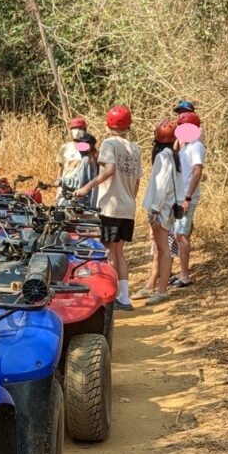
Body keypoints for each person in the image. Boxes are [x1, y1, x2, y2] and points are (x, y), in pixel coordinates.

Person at [73, 106, 142, 311]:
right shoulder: (135, 148)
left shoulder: (109, 143)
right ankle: (125, 297)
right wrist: (130, 198)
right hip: (128, 206)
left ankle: (111, 298)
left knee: (109, 252)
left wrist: (86, 187)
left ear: (108, 124)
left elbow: (109, 170)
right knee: (119, 252)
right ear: (128, 124)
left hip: (111, 206)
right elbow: (137, 180)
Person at [134, 119, 183, 306]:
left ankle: (162, 290)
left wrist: (154, 209)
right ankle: (150, 286)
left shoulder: (163, 156)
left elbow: (161, 186)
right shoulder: (173, 154)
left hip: (161, 209)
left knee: (163, 250)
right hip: (166, 208)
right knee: (159, 250)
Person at [172, 110, 205, 288]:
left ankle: (185, 275)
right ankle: (181, 270)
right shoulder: (185, 146)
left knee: (182, 235)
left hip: (187, 196)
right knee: (178, 234)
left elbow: (197, 171)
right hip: (179, 195)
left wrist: (188, 196)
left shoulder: (196, 146)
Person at [56, 133, 98, 208]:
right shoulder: (95, 158)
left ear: (89, 147)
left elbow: (78, 182)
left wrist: (61, 181)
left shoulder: (86, 160)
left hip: (85, 202)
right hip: (93, 202)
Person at [56, 117, 88, 191]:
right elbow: (60, 168)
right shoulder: (64, 147)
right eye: (74, 129)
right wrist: (58, 187)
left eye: (80, 129)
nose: (77, 131)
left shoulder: (88, 148)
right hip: (65, 186)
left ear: (84, 131)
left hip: (81, 187)